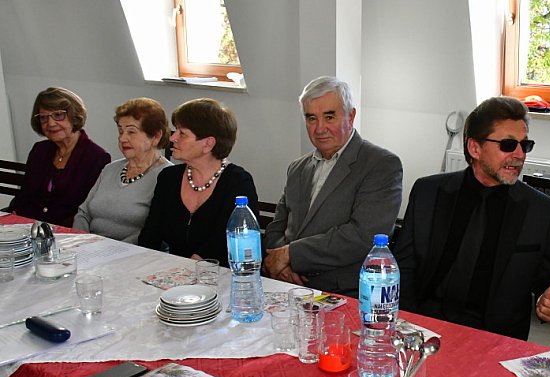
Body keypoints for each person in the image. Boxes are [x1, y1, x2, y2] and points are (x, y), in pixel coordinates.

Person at [394, 96, 550, 340]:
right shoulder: (428, 192)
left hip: (495, 336)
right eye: (508, 144)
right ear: (474, 148)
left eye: (525, 145)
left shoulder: (539, 210)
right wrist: (410, 325)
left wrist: (549, 298)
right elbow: (404, 267)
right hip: (426, 323)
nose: (519, 154)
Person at [262, 76, 403, 297]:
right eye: (311, 118)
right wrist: (281, 265)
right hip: (283, 284)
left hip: (341, 292)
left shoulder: (381, 165)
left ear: (351, 116)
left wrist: (290, 255)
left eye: (329, 117)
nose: (320, 128)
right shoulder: (297, 168)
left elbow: (363, 237)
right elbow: (276, 227)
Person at [138, 98, 258, 265]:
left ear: (208, 144)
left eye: (182, 133)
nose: (172, 138)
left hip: (222, 273)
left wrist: (185, 269)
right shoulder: (169, 177)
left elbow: (223, 244)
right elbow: (150, 236)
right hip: (174, 271)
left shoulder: (237, 182)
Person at [9, 87, 110, 227]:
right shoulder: (39, 150)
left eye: (58, 115)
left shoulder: (96, 158)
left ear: (74, 116)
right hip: (26, 227)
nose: (50, 123)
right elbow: (24, 195)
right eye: (43, 117)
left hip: (67, 232)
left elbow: (87, 212)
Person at [73, 98, 171, 242]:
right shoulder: (110, 169)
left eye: (131, 132)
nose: (122, 138)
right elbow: (83, 213)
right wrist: (81, 242)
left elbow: (153, 231)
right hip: (87, 247)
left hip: (132, 251)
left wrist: (111, 250)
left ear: (156, 136)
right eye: (120, 131)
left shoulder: (168, 176)